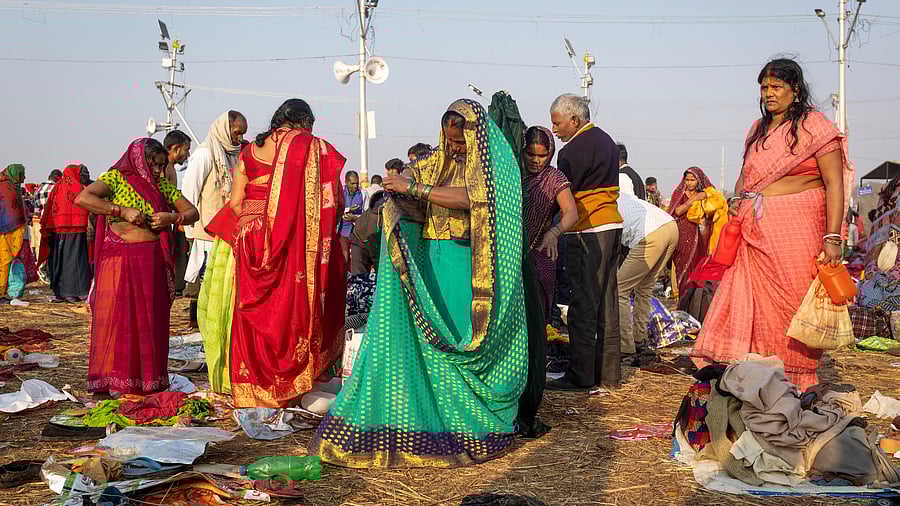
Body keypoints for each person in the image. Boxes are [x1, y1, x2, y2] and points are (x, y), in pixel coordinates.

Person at [310, 99, 528, 468]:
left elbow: (472, 197)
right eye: (450, 139)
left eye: (461, 141)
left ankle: (471, 419)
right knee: (434, 341)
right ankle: (437, 414)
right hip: (434, 262)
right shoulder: (437, 161)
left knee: (461, 337)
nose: (455, 147)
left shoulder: (493, 165)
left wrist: (416, 189)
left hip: (472, 265)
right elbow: (409, 176)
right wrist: (403, 181)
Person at [692, 58, 853, 389]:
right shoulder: (758, 129)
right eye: (764, 87)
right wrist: (737, 202)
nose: (769, 93)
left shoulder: (815, 126)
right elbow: (746, 175)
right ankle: (757, 373)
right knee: (750, 302)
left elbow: (834, 183)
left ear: (796, 90)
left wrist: (833, 237)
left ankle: (796, 379)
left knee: (790, 301)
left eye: (777, 86)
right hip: (753, 229)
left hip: (797, 227)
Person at [213, 98, 346, 408]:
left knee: (254, 311)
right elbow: (334, 199)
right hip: (292, 240)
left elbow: (236, 203)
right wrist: (287, 225)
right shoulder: (311, 147)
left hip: (250, 237)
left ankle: (255, 387)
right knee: (289, 307)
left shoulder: (249, 151)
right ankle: (292, 384)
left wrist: (259, 222)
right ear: (305, 122)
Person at [76, 138, 199, 395]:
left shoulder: (161, 185)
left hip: (150, 261)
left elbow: (192, 212)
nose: (158, 171)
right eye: (154, 165)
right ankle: (112, 380)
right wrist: (120, 211)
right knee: (117, 318)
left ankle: (146, 381)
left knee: (149, 321)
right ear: (139, 160)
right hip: (119, 259)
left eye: (162, 166)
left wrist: (172, 217)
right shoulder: (116, 178)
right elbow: (83, 198)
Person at [545, 94, 623, 392]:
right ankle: (609, 375)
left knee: (583, 305)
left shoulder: (571, 151)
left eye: (557, 123)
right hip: (611, 225)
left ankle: (580, 375)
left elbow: (562, 196)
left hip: (587, 230)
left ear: (575, 120)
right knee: (607, 304)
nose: (554, 129)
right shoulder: (606, 141)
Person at [187, 110, 247, 393]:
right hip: (206, 234)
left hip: (227, 235)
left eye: (242, 132)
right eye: (237, 131)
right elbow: (188, 194)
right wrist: (188, 231)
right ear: (225, 128)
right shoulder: (204, 155)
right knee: (208, 292)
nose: (240, 137)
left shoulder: (235, 156)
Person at [521, 126, 579, 322]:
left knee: (537, 309)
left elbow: (571, 213)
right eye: (530, 154)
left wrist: (554, 232)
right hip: (509, 252)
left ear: (550, 154)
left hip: (540, 251)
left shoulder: (554, 178)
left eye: (542, 155)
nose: (535, 160)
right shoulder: (511, 172)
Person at [616, 192, 679, 355]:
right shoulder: (623, 196)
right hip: (670, 226)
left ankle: (625, 347)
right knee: (644, 288)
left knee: (619, 290)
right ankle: (639, 338)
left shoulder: (603, 204)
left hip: (651, 234)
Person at [37, 164, 91, 302]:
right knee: (75, 261)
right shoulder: (79, 188)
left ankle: (61, 292)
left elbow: (49, 207)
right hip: (76, 230)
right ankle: (76, 292)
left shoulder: (58, 187)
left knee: (60, 260)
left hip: (57, 230)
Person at [669, 167, 715, 298]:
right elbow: (677, 211)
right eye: (687, 180)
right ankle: (683, 300)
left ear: (699, 180)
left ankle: (696, 302)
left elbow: (715, 208)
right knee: (683, 268)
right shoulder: (679, 193)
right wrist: (694, 199)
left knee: (699, 267)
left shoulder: (705, 194)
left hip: (702, 236)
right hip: (683, 236)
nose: (689, 183)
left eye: (692, 180)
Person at [163, 130, 193, 297]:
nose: (187, 154)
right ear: (175, 149)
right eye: (186, 150)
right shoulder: (164, 168)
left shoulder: (170, 168)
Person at [0, 164, 30, 304]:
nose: (24, 177)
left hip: (13, 230)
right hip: (5, 231)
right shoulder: (6, 188)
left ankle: (5, 291)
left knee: (9, 261)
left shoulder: (13, 187)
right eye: (21, 174)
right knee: (4, 260)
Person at [31, 169, 62, 261]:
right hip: (54, 223)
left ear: (49, 176)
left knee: (42, 245)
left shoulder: (38, 189)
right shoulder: (57, 188)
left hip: (42, 221)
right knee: (54, 248)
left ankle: (42, 267)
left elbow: (36, 209)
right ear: (59, 178)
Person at [339, 170, 366, 265]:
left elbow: (366, 213)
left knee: (357, 255)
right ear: (346, 182)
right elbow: (336, 209)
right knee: (344, 253)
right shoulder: (340, 193)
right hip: (342, 229)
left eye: (357, 183)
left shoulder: (363, 194)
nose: (355, 186)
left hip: (357, 229)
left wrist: (355, 218)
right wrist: (348, 209)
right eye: (352, 183)